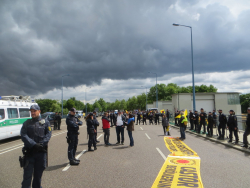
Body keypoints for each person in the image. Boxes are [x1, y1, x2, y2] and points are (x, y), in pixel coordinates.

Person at [20, 104, 52, 188]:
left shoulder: (45, 122)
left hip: (41, 154)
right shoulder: (26, 123)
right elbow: (23, 135)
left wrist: (42, 144)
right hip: (30, 153)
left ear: (39, 111)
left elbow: (48, 134)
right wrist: (34, 144)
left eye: (34, 111)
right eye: (31, 111)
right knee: (27, 177)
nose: (33, 113)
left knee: (38, 177)